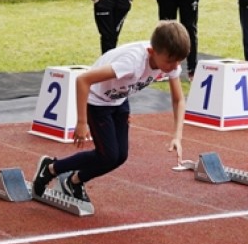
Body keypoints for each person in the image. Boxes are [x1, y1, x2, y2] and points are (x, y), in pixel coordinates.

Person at [32, 21, 189, 203]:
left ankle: (73, 181)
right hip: (97, 100)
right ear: (152, 52)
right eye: (170, 61)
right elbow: (83, 80)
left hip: (119, 99)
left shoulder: (170, 61)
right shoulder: (132, 63)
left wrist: (177, 135)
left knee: (120, 156)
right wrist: (82, 122)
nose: (174, 66)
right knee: (108, 155)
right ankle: (51, 168)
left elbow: (178, 99)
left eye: (179, 61)